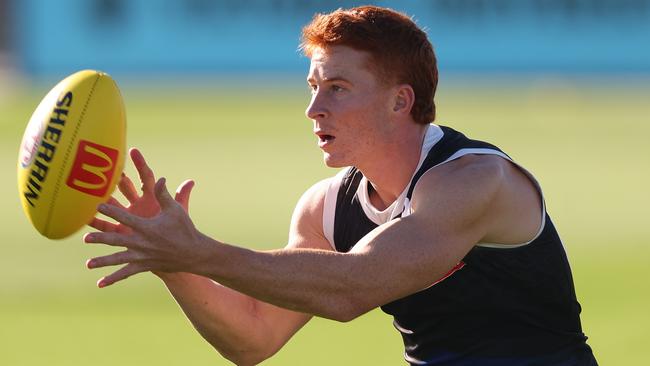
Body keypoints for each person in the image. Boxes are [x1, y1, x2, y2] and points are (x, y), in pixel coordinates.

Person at [84, 6, 597, 366]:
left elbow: (355, 286)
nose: (314, 109)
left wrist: (199, 252)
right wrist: (174, 261)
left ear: (400, 101)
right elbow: (253, 338)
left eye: (338, 88)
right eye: (313, 87)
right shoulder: (325, 209)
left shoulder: (474, 180)